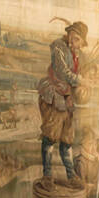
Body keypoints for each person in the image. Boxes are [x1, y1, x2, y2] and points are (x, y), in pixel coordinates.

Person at [37, 21, 87, 186]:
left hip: (68, 101)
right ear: (68, 34)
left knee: (67, 140)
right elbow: (61, 71)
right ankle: (47, 175)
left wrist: (86, 82)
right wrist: (80, 80)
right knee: (50, 137)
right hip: (55, 98)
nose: (74, 42)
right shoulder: (58, 47)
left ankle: (71, 176)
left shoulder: (78, 55)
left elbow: (80, 75)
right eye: (73, 37)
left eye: (78, 40)